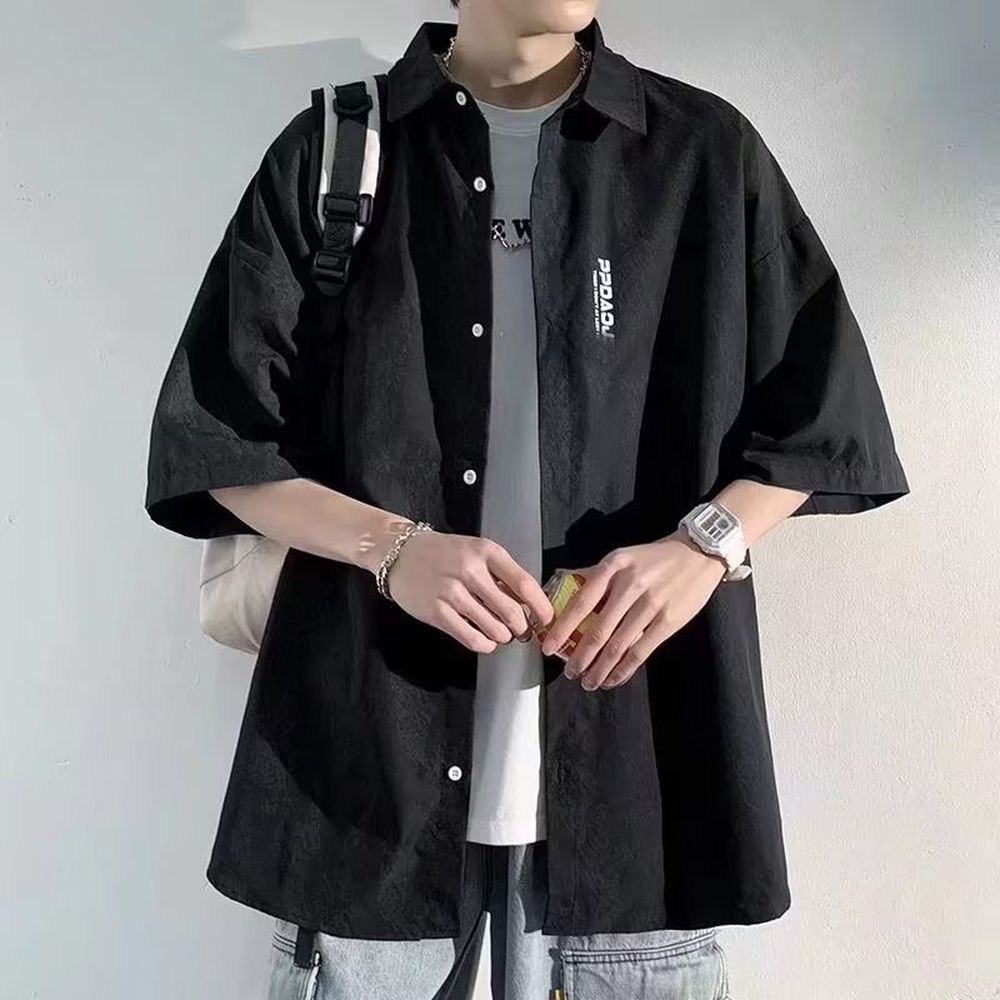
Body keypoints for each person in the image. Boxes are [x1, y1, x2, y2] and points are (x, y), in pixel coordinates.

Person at [143, 1, 910, 997]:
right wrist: (392, 548)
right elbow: (216, 437)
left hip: (639, 802)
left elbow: (823, 417)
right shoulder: (338, 151)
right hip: (372, 795)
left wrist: (703, 547)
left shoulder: (700, 153)